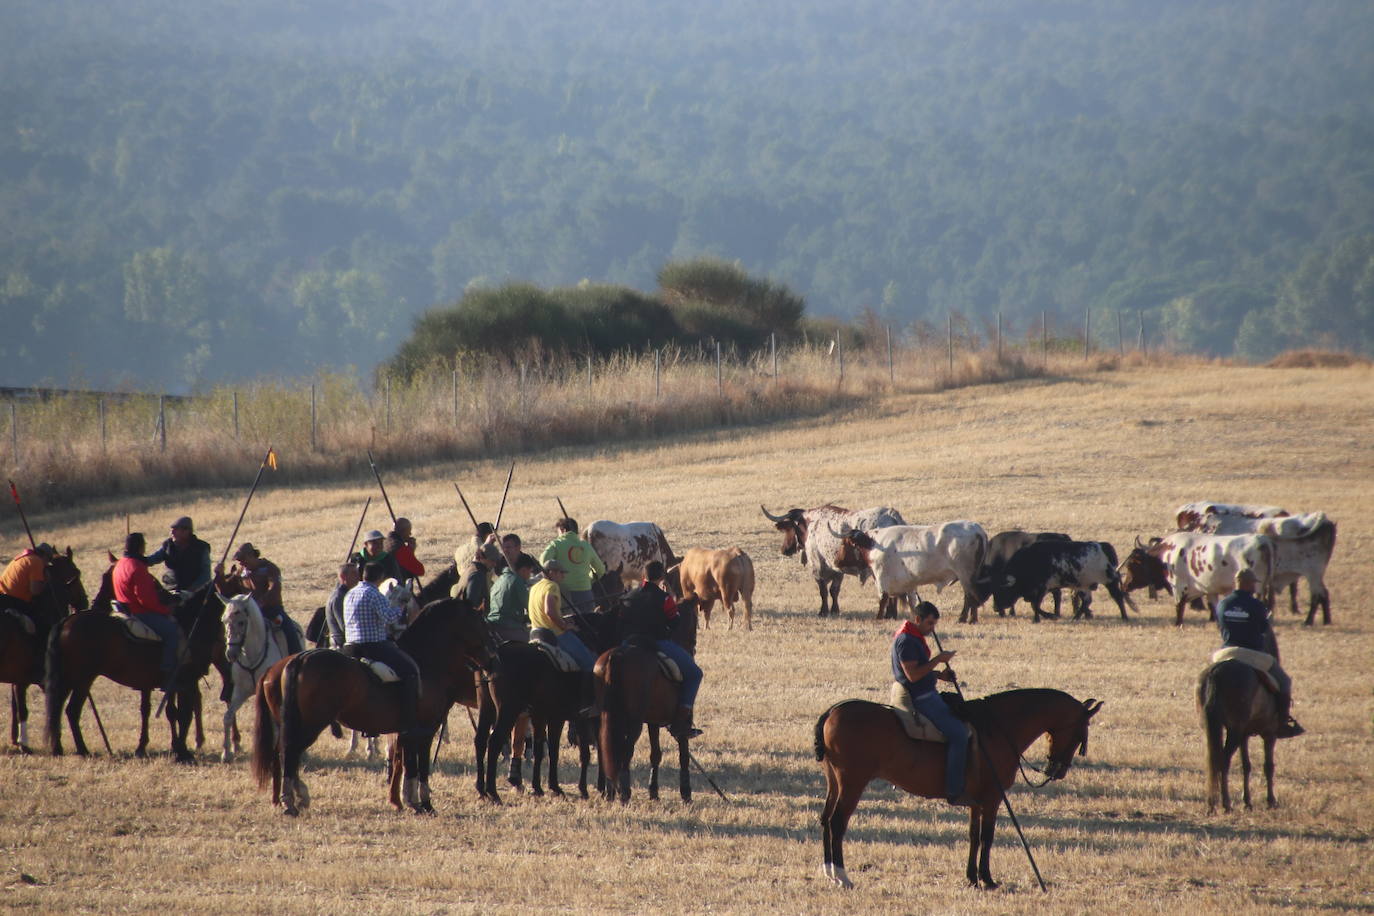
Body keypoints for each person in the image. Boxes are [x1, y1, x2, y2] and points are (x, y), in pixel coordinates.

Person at [892, 601, 970, 805]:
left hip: (927, 692)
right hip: (921, 698)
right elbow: (912, 675)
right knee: (959, 735)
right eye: (929, 623)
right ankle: (954, 789)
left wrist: (939, 675)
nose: (932, 629)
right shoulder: (907, 641)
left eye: (934, 624)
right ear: (917, 619)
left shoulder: (913, 636)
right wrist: (938, 659)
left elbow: (920, 671)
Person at [620, 560, 704, 739]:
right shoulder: (665, 599)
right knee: (695, 674)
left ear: (644, 576)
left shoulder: (628, 596)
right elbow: (675, 623)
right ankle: (681, 720)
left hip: (627, 643)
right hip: (657, 642)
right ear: (661, 578)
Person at [1216, 569, 1303, 738]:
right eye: (1253, 584)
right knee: (1285, 681)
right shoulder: (1257, 605)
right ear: (1249, 584)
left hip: (1225, 653)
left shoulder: (1222, 604)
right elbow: (1263, 630)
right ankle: (1283, 722)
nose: (1255, 587)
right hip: (1252, 654)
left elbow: (1220, 627)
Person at [342, 562, 421, 737]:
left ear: (363, 575)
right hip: (373, 647)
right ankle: (408, 722)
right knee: (410, 671)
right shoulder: (374, 594)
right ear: (380, 578)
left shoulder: (350, 593)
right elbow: (389, 618)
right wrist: (402, 605)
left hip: (349, 648)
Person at [113, 533, 180, 693]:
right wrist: (165, 610)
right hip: (140, 612)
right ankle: (167, 675)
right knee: (172, 632)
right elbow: (146, 600)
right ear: (141, 547)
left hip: (124, 610)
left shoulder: (120, 564)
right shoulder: (137, 567)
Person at [528, 561, 597, 715]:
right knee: (590, 664)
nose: (563, 576)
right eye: (561, 573)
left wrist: (563, 619)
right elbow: (550, 612)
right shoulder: (552, 586)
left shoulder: (535, 587)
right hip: (556, 634)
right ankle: (588, 704)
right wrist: (566, 626)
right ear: (551, 572)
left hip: (536, 633)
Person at [216, 543, 303, 655]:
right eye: (239, 561)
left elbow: (274, 588)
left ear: (252, 556)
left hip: (271, 610)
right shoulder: (241, 572)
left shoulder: (270, 568)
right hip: (248, 612)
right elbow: (225, 591)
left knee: (289, 629)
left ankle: (296, 657)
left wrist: (259, 603)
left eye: (243, 559)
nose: (241, 563)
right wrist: (219, 576)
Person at [0, 542, 57, 682]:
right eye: (48, 561)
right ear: (45, 556)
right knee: (43, 626)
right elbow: (35, 590)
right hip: (13, 601)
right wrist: (46, 581)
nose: (46, 564)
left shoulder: (20, 559)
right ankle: (39, 665)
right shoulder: (36, 562)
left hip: (3, 598)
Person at [539, 517, 605, 615]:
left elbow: (543, 561)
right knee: (589, 621)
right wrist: (589, 580)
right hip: (585, 592)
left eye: (558, 532)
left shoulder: (556, 544)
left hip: (564, 593)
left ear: (562, 530)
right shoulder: (586, 546)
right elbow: (600, 570)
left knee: (569, 621)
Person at [143, 516, 212, 592]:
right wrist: (136, 557)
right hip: (170, 589)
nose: (172, 533)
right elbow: (151, 560)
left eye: (176, 530)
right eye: (171, 530)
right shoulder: (168, 545)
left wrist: (191, 591)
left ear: (186, 531)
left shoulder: (201, 548)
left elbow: (206, 575)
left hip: (195, 592)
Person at [487, 554, 536, 643]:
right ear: (524, 570)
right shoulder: (517, 581)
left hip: (493, 624)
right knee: (535, 644)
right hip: (507, 626)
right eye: (530, 572)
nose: (530, 576)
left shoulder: (499, 580)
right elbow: (530, 607)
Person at [325, 562, 360, 649]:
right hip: (341, 646)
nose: (358, 577)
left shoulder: (348, 594)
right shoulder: (339, 598)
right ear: (343, 577)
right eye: (354, 574)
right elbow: (345, 626)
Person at [387, 517, 425, 584]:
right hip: (398, 587)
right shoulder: (399, 548)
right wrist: (410, 551)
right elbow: (419, 570)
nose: (410, 534)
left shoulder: (384, 543)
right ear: (403, 531)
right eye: (408, 531)